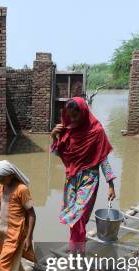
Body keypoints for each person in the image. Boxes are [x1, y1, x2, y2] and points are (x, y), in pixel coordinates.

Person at [50, 97, 117, 253]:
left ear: (84, 112)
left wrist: (111, 185)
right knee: (73, 218)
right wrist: (54, 137)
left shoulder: (96, 131)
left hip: (89, 179)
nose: (73, 119)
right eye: (70, 116)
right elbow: (60, 155)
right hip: (72, 179)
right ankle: (77, 249)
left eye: (76, 116)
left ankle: (77, 253)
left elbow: (103, 159)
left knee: (78, 217)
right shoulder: (68, 130)